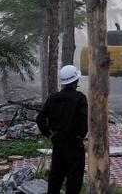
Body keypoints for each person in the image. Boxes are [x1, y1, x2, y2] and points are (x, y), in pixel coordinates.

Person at [36, 65, 88, 194]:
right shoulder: (79, 97)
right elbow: (84, 120)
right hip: (74, 146)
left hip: (58, 145)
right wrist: (81, 136)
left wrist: (48, 133)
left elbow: (40, 119)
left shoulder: (53, 97)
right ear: (75, 81)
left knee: (55, 179)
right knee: (74, 181)